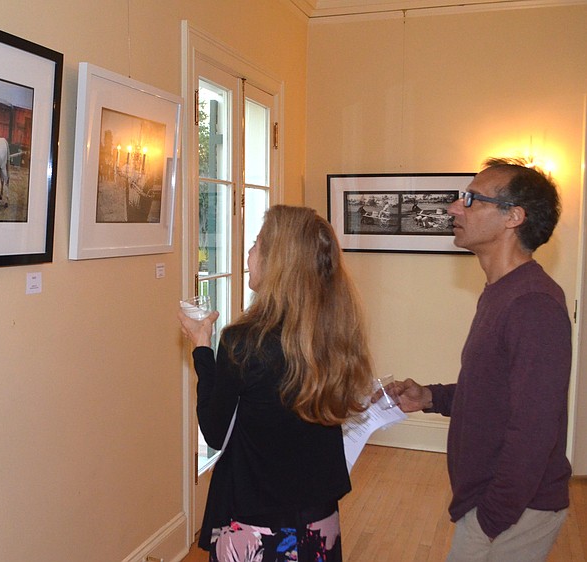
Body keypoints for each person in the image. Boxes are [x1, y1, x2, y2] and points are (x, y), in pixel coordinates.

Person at [386, 157, 571, 561]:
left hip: (516, 510)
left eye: (471, 199)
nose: (454, 207)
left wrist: (490, 518)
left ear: (513, 217)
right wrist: (430, 398)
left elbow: (534, 431)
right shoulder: (503, 292)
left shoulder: (533, 305)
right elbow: (494, 394)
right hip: (498, 504)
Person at [178, 205, 374, 562]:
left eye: (256, 245)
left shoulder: (244, 341)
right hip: (318, 516)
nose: (249, 254)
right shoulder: (336, 332)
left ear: (277, 262)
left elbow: (215, 432)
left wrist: (201, 347)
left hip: (255, 521)